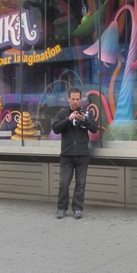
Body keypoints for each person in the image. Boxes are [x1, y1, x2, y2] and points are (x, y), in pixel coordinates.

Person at [52, 88, 98, 220]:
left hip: (82, 154)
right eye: (73, 99)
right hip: (67, 155)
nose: (75, 101)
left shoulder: (87, 113)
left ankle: (78, 209)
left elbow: (94, 129)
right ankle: (61, 209)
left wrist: (84, 119)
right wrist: (68, 119)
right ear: (68, 99)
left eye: (78, 99)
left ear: (81, 99)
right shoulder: (62, 114)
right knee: (64, 182)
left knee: (81, 183)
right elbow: (55, 129)